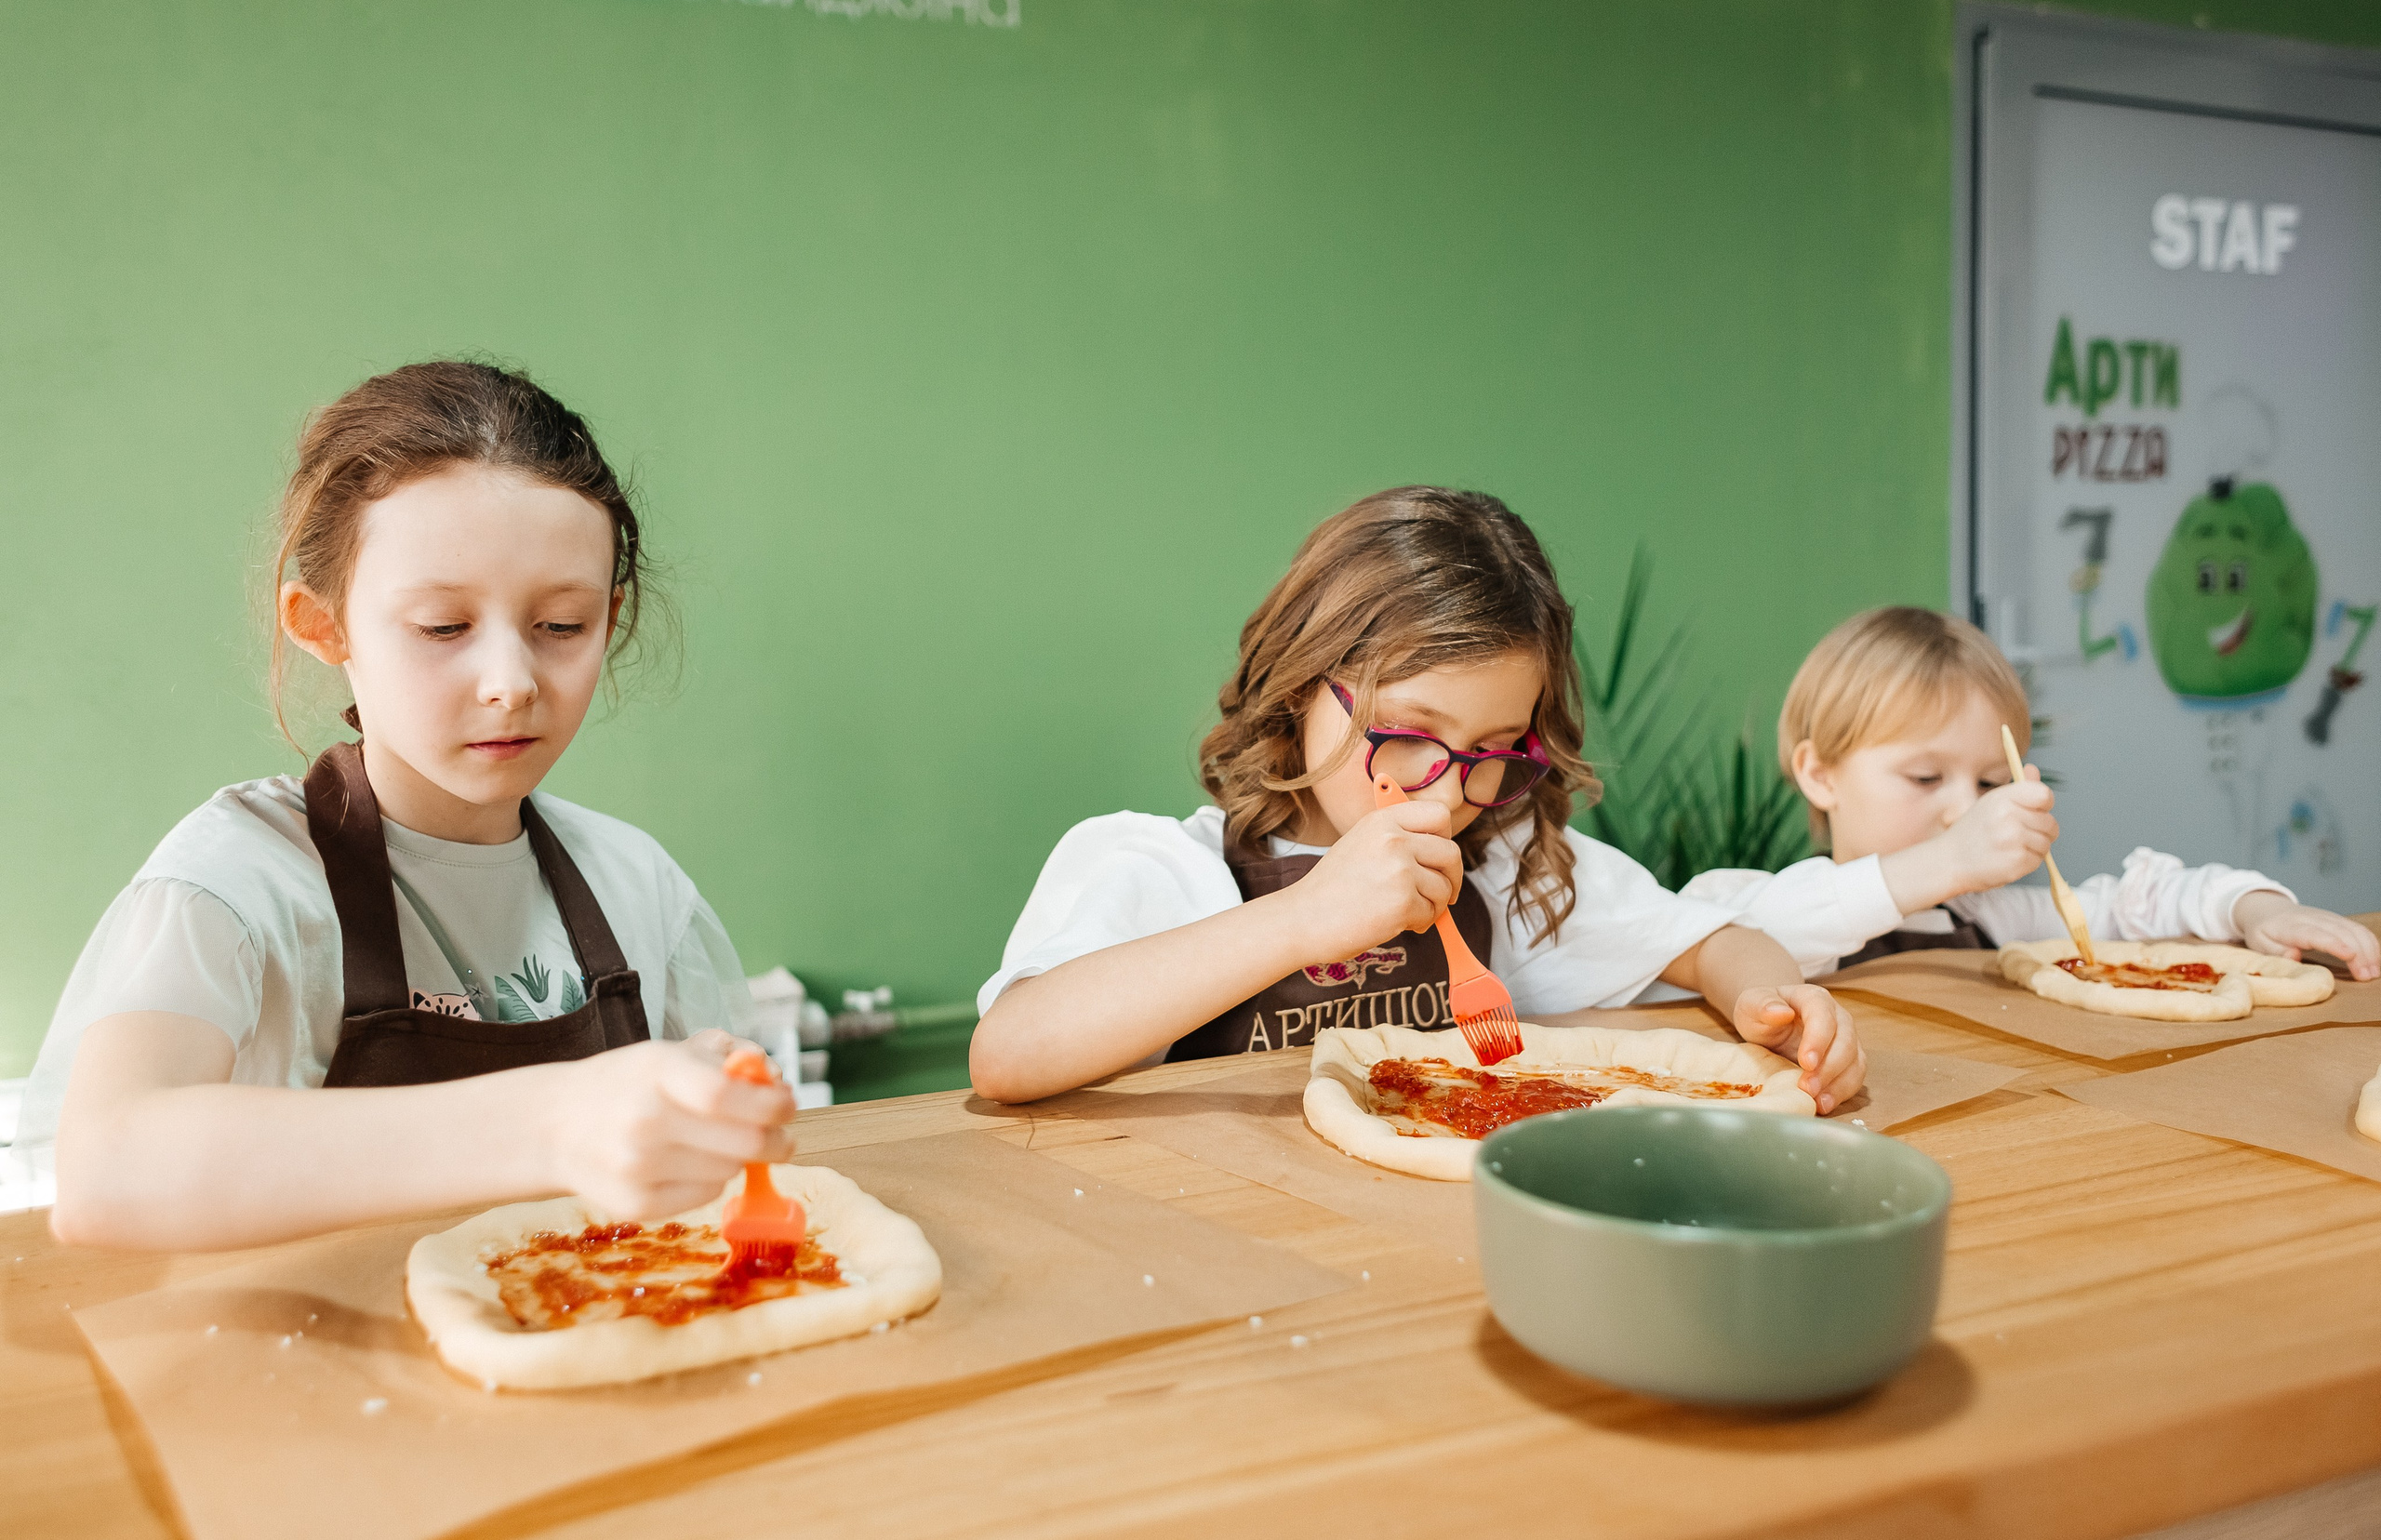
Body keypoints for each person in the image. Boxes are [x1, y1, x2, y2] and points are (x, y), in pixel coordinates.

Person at [27, 361, 791, 1251]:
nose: (510, 683)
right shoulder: (238, 880)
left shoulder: (635, 883)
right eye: (443, 627)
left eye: (562, 627)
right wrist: (552, 1120)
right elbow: (106, 1171)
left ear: (611, 620)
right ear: (324, 625)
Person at [968, 486, 1867, 1109]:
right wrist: (1302, 918)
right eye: (1408, 733)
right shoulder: (1162, 869)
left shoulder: (1507, 865)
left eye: (1489, 752)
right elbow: (1008, 1054)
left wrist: (1773, 1002)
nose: (1449, 786)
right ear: (1301, 684)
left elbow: (1712, 941)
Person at [1686, 606, 2380, 977]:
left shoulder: (1994, 917)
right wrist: (1949, 859)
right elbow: (1713, 939)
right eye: (1925, 777)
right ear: (1819, 773)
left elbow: (2140, 904)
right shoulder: (1759, 913)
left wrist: (2252, 907)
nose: (1968, 807)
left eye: (1990, 781)